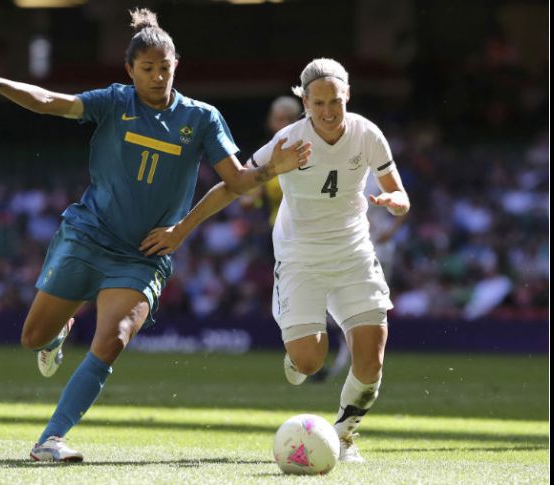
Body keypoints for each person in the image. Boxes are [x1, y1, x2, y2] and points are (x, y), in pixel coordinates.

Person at [0, 8, 311, 463]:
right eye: (148, 69)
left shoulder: (201, 118)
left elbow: (236, 181)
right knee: (32, 337)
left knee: (115, 336)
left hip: (142, 255)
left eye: (165, 67)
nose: (158, 76)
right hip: (86, 236)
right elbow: (50, 101)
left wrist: (266, 173)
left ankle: (51, 438)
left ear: (176, 64)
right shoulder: (113, 102)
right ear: (130, 69)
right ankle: (57, 334)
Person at [140, 58, 410, 464]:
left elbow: (400, 193)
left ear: (347, 96)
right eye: (318, 103)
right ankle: (293, 339)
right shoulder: (287, 141)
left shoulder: (368, 134)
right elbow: (233, 186)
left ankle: (344, 436)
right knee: (309, 361)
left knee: (371, 362)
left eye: (335, 101)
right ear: (304, 102)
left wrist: (395, 203)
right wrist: (182, 228)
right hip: (300, 257)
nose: (328, 111)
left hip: (354, 252)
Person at [312, 174, 407, 382]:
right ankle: (347, 365)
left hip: (378, 251)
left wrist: (390, 232)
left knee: (364, 310)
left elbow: (403, 203)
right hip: (351, 249)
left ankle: (351, 366)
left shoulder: (379, 175)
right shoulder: (344, 172)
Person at [239, 96, 303, 225]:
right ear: (270, 121)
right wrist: (258, 191)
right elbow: (246, 202)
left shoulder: (311, 149)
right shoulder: (263, 156)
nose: (285, 125)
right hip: (278, 229)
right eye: (279, 119)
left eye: (290, 119)